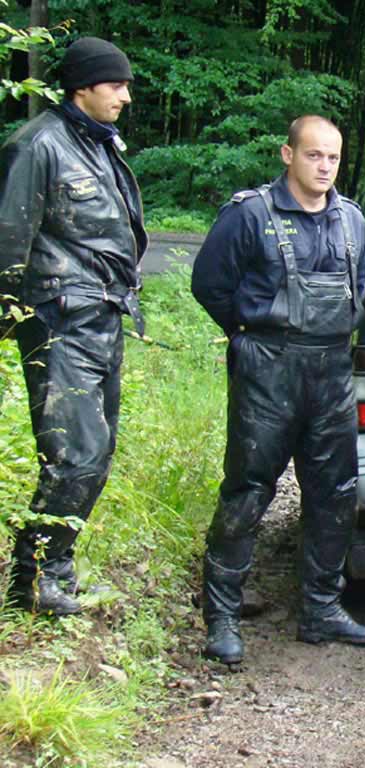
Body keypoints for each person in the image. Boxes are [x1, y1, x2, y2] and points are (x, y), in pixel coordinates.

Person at [191, 115, 365, 665]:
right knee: (248, 490)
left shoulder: (352, 222)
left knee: (335, 492)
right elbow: (210, 284)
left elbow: (358, 289)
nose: (324, 167)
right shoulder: (250, 215)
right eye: (314, 155)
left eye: (334, 158)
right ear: (287, 155)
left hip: (330, 371)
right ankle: (222, 617)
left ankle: (321, 609)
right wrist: (250, 335)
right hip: (267, 369)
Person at [0, 37, 146, 615]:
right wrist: (10, 318)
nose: (125, 97)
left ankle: (54, 571)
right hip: (58, 319)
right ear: (82, 85)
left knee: (97, 452)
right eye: (116, 85)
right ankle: (31, 582)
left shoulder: (98, 143)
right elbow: (9, 239)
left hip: (102, 317)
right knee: (75, 455)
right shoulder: (37, 145)